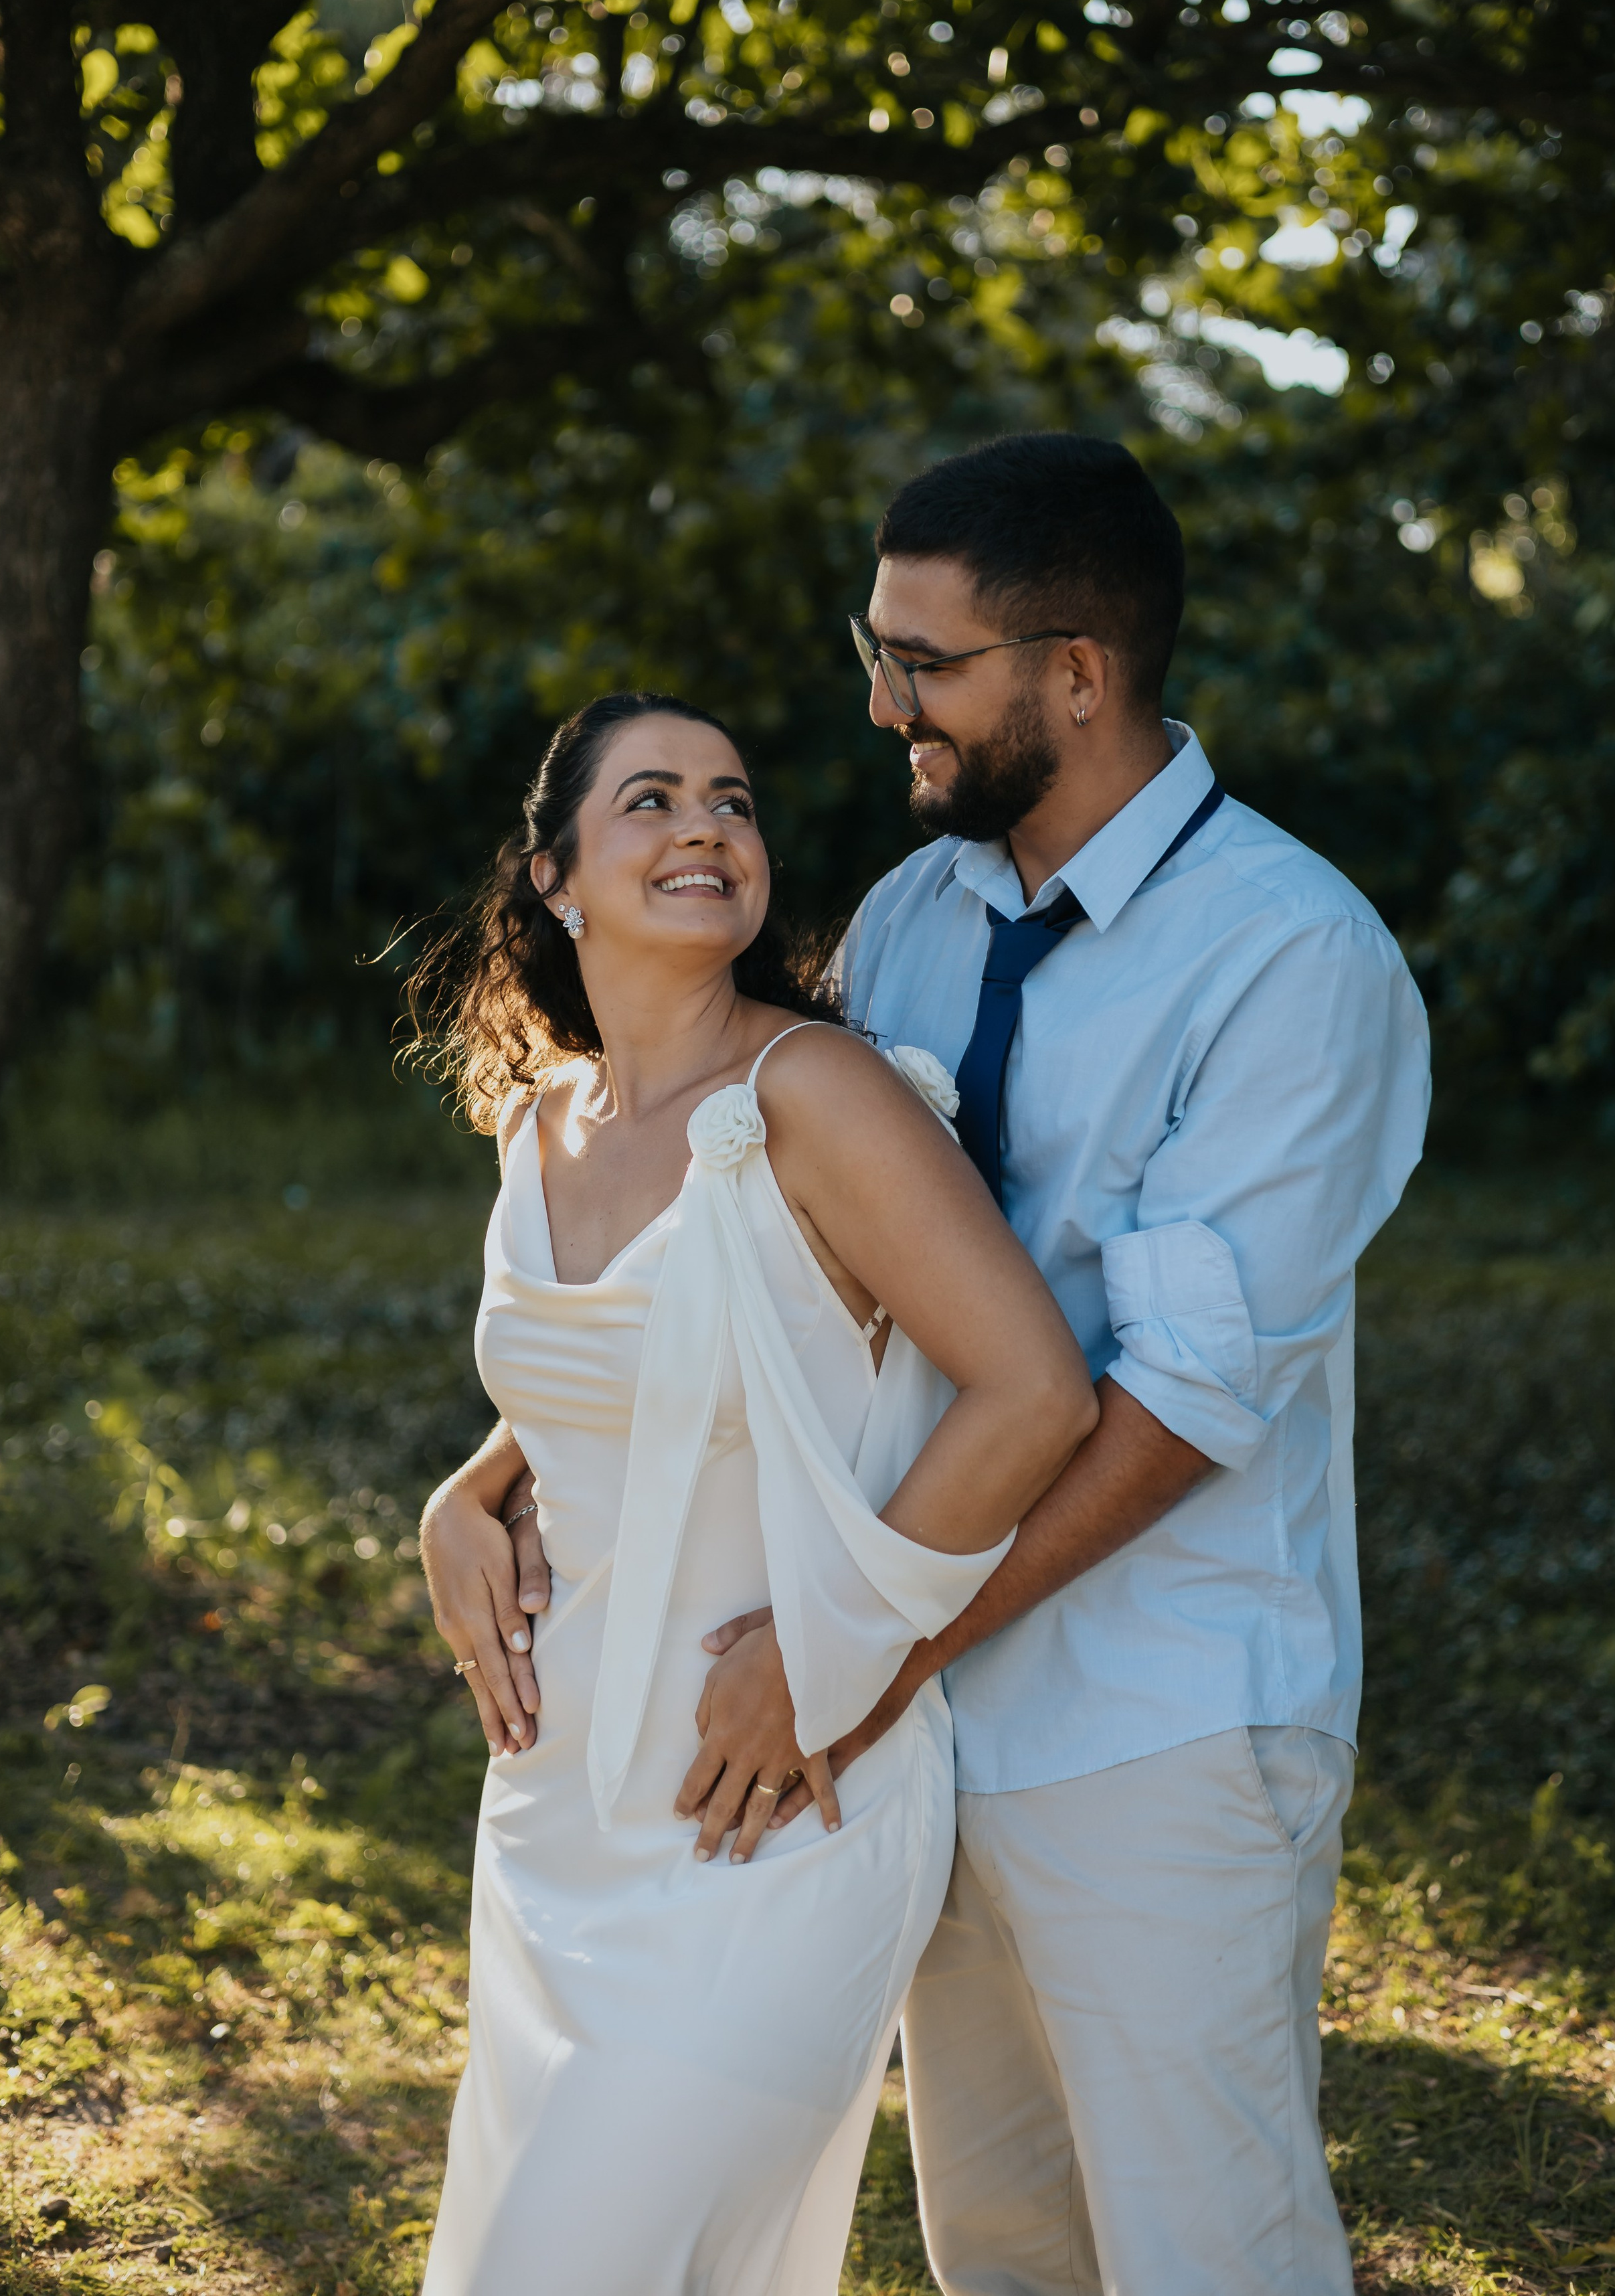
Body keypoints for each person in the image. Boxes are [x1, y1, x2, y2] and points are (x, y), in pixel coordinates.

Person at [491, 434, 1431, 2292]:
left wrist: (859, 1651)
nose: (879, 704)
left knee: (1205, 2244)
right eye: (878, 649)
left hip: (1157, 1710)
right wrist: (499, 1472)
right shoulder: (917, 916)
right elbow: (764, 1260)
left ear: (1075, 673)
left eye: (922, 663)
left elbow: (1177, 1405)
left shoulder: (1291, 958)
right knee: (995, 2243)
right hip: (919, 1735)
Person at [410, 688, 1097, 2296]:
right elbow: (616, 1388)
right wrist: (464, 1494)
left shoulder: (817, 1096)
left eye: (731, 800)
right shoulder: (540, 1123)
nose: (706, 828)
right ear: (553, 879)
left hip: (779, 1808)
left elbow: (1034, 1393)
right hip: (558, 1811)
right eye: (649, 800)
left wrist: (827, 1648)